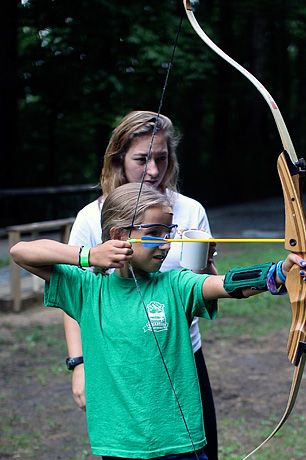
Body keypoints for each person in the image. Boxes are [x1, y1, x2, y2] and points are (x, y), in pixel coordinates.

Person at [10, 183, 306, 460]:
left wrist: (281, 272)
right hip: (119, 447)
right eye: (154, 233)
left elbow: (224, 285)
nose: (167, 243)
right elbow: (21, 252)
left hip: (180, 444)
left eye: (169, 232)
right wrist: (88, 255)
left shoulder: (175, 285)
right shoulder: (87, 290)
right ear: (120, 237)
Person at [64, 111, 219, 460]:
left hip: (182, 356)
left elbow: (204, 284)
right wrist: (79, 364)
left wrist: (271, 275)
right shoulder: (93, 217)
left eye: (161, 159)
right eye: (141, 159)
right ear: (119, 159)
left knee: (198, 448)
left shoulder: (190, 210)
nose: (153, 170)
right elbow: (74, 294)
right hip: (117, 360)